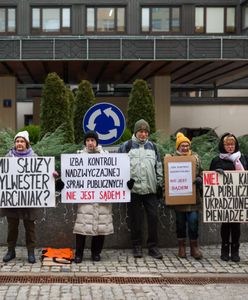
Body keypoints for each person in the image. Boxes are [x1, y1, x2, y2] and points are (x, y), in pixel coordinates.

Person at [118, 119, 163, 259]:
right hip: (133, 190)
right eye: (140, 131)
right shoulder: (126, 146)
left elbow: (159, 167)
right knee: (135, 219)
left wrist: (160, 185)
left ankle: (153, 247)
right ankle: (136, 246)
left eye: (145, 132)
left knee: (153, 218)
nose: (143, 134)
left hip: (150, 190)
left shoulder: (154, 147)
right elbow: (118, 168)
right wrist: (125, 183)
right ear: (135, 132)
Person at [73, 131, 114, 263]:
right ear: (85, 142)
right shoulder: (78, 157)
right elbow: (72, 176)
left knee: (101, 227)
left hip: (102, 198)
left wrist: (125, 185)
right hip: (86, 198)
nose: (90, 143)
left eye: (93, 140)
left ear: (97, 142)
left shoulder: (106, 157)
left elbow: (114, 175)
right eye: (88, 140)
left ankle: (96, 253)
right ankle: (78, 253)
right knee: (81, 226)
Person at [0, 131, 38, 264]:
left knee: (30, 228)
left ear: (26, 144)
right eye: (17, 141)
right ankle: (11, 251)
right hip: (12, 200)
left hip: (29, 200)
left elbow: (40, 174)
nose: (19, 144)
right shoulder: (8, 157)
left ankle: (31, 252)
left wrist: (51, 174)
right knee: (12, 227)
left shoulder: (34, 158)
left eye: (22, 141)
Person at [210, 133, 248, 262]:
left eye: (232, 144)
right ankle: (225, 249)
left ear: (235, 145)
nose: (230, 147)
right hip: (223, 198)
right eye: (227, 144)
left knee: (236, 225)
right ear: (223, 145)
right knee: (225, 224)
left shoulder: (242, 158)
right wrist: (216, 172)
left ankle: (235, 250)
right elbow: (210, 178)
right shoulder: (217, 160)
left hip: (238, 197)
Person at [169, 132, 203, 260]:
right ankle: (181, 246)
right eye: (182, 145)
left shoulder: (196, 158)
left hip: (193, 199)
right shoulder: (171, 159)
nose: (185, 148)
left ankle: (194, 247)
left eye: (187, 145)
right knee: (180, 223)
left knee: (193, 222)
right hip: (179, 198)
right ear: (178, 147)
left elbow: (201, 172)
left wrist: (200, 179)